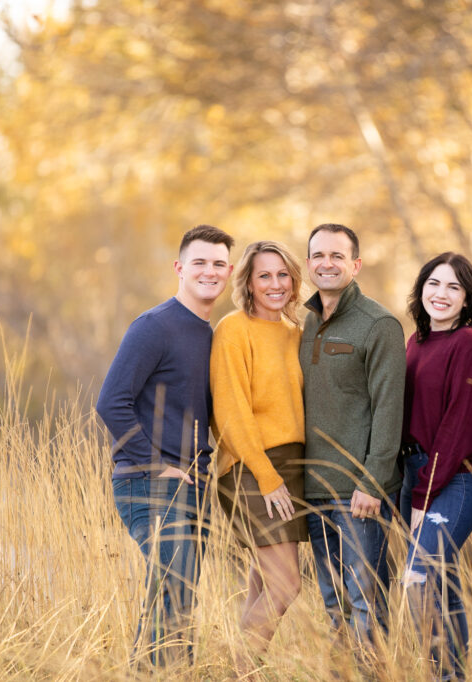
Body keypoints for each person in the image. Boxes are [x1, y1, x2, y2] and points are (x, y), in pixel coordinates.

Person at [96, 224, 234, 667]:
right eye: (199, 263)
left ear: (229, 271)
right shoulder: (155, 326)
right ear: (179, 268)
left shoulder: (210, 335)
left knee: (178, 600)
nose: (209, 272)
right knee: (172, 592)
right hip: (150, 485)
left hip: (192, 485)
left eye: (218, 264)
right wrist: (156, 466)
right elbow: (110, 403)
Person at [299, 223, 406, 650]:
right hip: (314, 489)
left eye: (337, 256)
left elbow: (389, 409)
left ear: (355, 264)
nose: (327, 264)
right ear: (308, 264)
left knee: (368, 605)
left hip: (359, 494)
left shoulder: (379, 325)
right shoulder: (305, 324)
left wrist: (372, 482)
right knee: (335, 606)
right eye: (319, 256)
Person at [210, 241, 307, 661]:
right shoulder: (233, 329)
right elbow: (230, 412)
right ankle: (236, 672)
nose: (275, 284)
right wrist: (266, 477)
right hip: (252, 469)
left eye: (282, 274)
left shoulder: (296, 334)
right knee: (287, 585)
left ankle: (242, 668)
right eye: (264, 275)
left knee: (264, 584)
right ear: (248, 282)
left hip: (295, 466)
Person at [400, 253, 472, 680]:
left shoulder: (469, 343)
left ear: (467, 298)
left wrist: (424, 493)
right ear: (421, 288)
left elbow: (459, 425)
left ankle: (446, 674)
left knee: (421, 576)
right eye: (434, 283)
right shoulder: (415, 341)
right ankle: (451, 675)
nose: (441, 294)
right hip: (415, 472)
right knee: (442, 582)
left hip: (457, 477)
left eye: (454, 287)